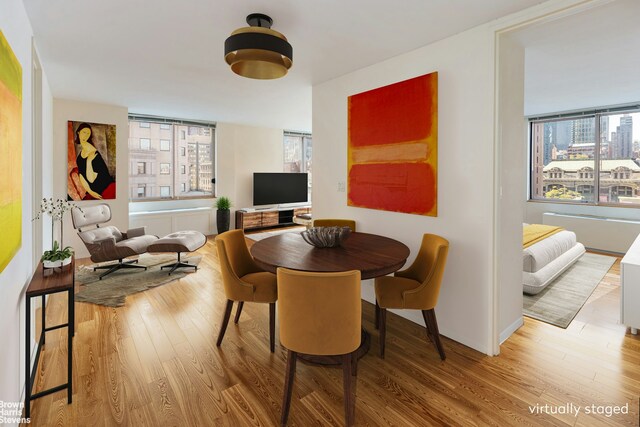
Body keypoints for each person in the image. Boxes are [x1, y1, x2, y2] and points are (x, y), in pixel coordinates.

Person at [74, 123, 115, 199]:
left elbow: (91, 179)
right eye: (84, 132)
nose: (86, 135)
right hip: (93, 192)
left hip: (106, 188)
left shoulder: (93, 152)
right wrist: (90, 192)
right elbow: (82, 176)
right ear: (78, 132)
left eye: (88, 133)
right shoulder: (80, 157)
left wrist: (89, 162)